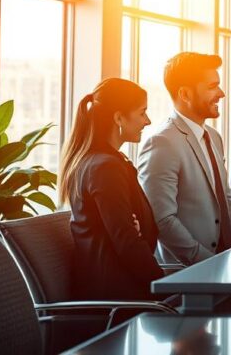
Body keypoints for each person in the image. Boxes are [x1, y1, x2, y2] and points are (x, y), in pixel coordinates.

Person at [58, 78, 163, 300]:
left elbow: (129, 233)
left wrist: (137, 227)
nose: (148, 121)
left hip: (118, 286)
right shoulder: (106, 167)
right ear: (118, 118)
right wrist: (164, 286)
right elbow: (127, 241)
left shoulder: (98, 161)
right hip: (120, 296)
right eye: (142, 112)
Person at [138, 52, 231, 265]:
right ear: (185, 94)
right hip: (188, 272)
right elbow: (163, 220)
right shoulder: (162, 143)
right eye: (212, 86)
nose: (221, 93)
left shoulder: (214, 137)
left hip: (227, 263)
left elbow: (226, 200)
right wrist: (207, 263)